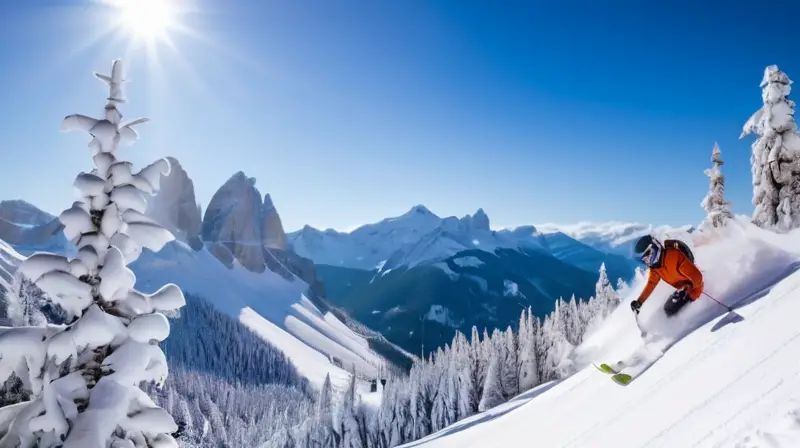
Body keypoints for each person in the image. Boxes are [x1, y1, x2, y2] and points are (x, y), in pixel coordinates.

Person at [630, 235, 704, 317]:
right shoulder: (656, 268)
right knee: (666, 309)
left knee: (671, 313)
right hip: (682, 291)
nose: (648, 262)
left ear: (654, 249)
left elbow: (698, 277)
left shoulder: (674, 256)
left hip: (695, 290)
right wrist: (639, 302)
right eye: (644, 261)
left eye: (647, 257)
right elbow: (651, 283)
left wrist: (688, 288)